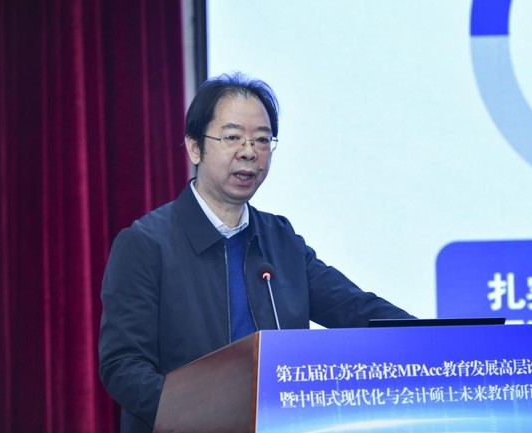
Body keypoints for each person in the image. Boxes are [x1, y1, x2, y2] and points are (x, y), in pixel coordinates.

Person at [98, 72, 414, 433]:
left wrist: (441, 339)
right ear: (195, 147)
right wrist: (202, 417)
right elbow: (123, 365)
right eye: (232, 137)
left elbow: (355, 309)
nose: (249, 152)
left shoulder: (280, 240)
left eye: (262, 140)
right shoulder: (146, 244)